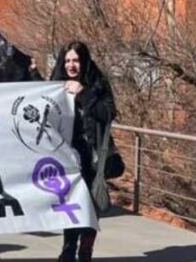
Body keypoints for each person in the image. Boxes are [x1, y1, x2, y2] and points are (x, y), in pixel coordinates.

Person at [50, 41, 117, 262]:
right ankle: (68, 248)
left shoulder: (97, 83)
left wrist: (83, 94)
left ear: (84, 61)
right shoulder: (55, 83)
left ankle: (85, 250)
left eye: (76, 60)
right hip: (66, 155)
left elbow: (108, 113)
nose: (71, 65)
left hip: (92, 155)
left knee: (89, 205)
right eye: (68, 60)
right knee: (70, 203)